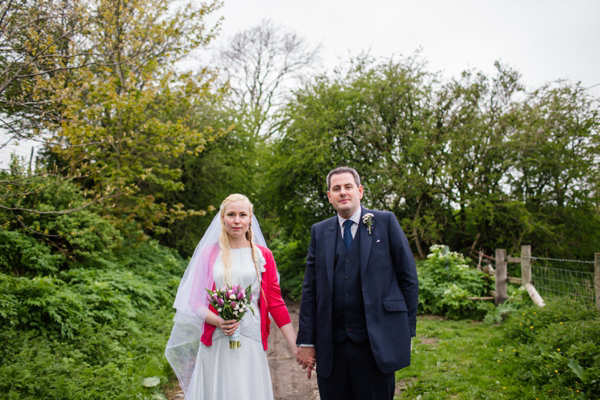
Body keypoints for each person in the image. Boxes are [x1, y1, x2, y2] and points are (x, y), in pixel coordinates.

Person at [295, 166, 418, 400]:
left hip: (375, 345)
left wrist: (405, 332)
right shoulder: (319, 232)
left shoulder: (385, 221)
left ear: (360, 191)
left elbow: (408, 279)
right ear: (329, 196)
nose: (343, 192)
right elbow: (310, 290)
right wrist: (306, 340)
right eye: (336, 189)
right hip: (332, 346)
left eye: (348, 187)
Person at [165, 194, 298, 400]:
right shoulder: (209, 254)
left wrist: (295, 346)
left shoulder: (263, 256)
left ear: (250, 219)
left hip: (251, 338)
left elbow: (276, 304)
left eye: (243, 215)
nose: (237, 220)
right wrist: (218, 321)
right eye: (231, 214)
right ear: (223, 219)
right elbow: (195, 302)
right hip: (217, 339)